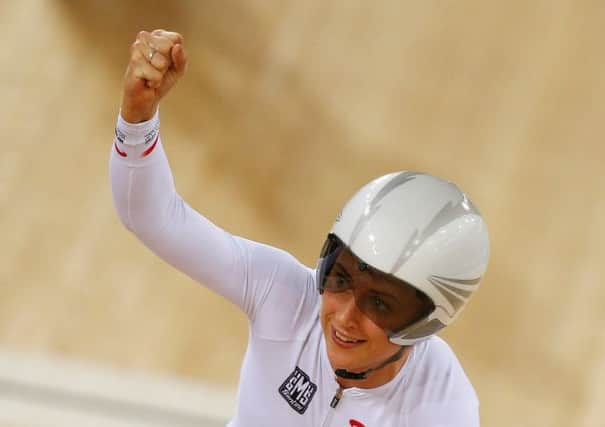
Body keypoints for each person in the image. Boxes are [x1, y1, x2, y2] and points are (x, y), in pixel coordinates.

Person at [110, 29, 490, 427]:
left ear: (423, 323)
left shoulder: (443, 407)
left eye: (379, 304)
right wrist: (137, 119)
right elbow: (150, 216)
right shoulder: (285, 295)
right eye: (339, 279)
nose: (343, 317)